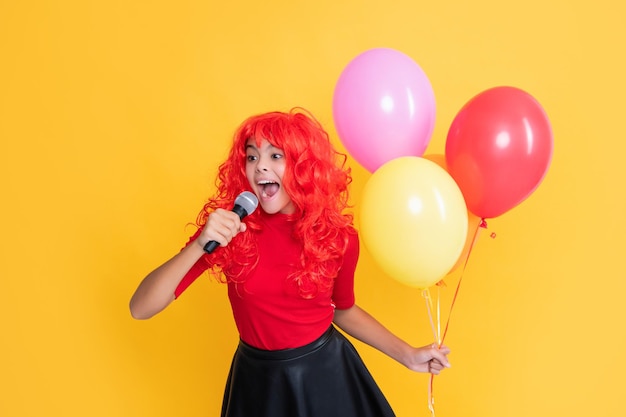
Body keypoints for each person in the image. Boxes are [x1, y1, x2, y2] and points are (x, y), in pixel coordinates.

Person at [129, 107, 451, 417]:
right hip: (257, 383)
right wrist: (200, 245)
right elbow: (140, 308)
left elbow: (342, 309)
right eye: (252, 156)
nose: (260, 167)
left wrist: (408, 355)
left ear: (303, 166)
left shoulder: (338, 238)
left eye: (275, 156)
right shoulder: (229, 229)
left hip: (326, 376)